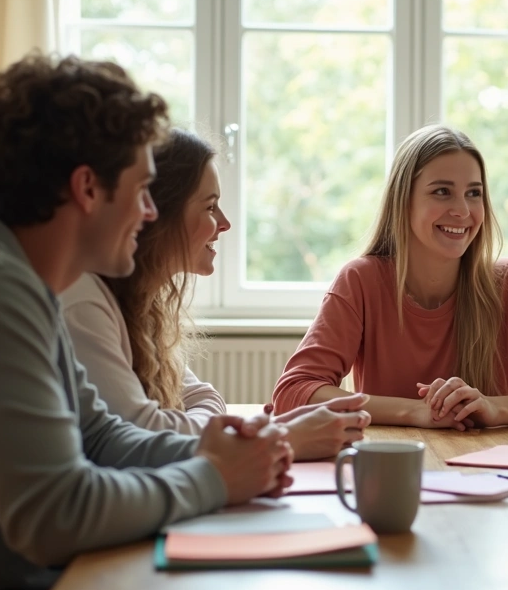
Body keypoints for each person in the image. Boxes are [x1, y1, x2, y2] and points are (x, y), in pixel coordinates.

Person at [0, 54, 292, 590]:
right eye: (142, 188)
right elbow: (57, 515)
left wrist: (211, 448)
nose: (150, 212)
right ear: (87, 188)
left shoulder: (13, 280)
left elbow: (101, 437)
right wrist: (217, 479)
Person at [61, 128, 369, 460]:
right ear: (159, 214)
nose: (224, 223)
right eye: (210, 207)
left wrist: (256, 432)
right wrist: (274, 436)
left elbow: (204, 397)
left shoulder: (142, 303)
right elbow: (145, 435)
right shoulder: (84, 302)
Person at [272, 124, 508, 429]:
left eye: (474, 193)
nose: (463, 210)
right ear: (404, 201)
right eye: (442, 191)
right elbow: (294, 392)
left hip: (491, 473)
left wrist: (495, 408)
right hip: (394, 471)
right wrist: (415, 411)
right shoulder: (361, 281)